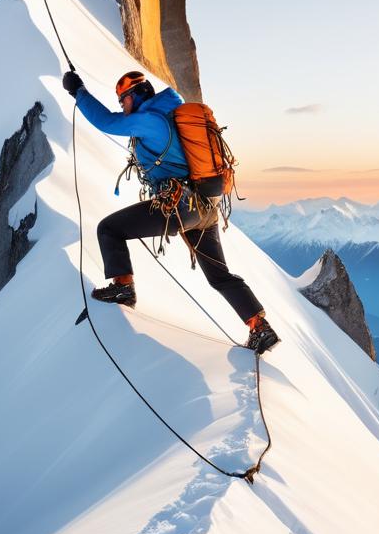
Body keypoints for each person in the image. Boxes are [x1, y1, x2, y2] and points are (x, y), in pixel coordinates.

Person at [62, 68, 280, 355]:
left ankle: (123, 287)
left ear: (138, 95)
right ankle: (259, 327)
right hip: (203, 206)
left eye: (124, 99)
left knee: (109, 229)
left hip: (180, 205)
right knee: (219, 275)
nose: (122, 106)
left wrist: (78, 91)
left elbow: (106, 121)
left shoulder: (151, 120)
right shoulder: (169, 114)